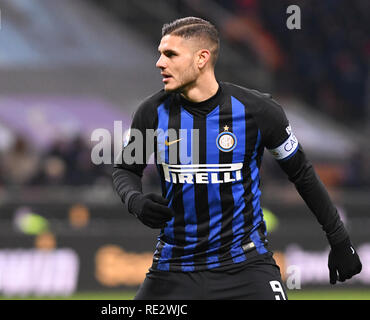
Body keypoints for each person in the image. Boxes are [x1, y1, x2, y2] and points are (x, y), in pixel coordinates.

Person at [112, 17, 362, 300]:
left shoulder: (259, 111)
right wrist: (136, 201)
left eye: (170, 54)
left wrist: (339, 241)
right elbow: (125, 170)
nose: (159, 62)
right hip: (174, 268)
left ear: (201, 58)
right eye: (160, 53)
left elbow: (302, 174)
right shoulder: (151, 112)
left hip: (246, 267)